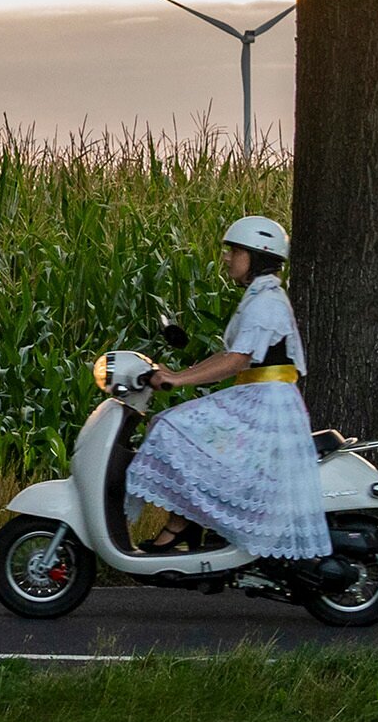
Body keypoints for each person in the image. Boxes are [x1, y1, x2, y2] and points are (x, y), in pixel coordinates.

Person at [123, 215, 331, 563]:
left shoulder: (267, 303)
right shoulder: (259, 297)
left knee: (172, 430)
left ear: (257, 256)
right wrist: (177, 373)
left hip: (266, 403)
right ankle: (185, 521)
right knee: (178, 433)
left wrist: (177, 380)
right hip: (256, 396)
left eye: (235, 251)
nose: (227, 258)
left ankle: (182, 524)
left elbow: (235, 361)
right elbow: (227, 356)